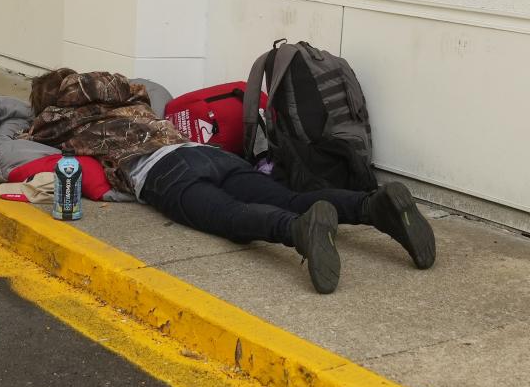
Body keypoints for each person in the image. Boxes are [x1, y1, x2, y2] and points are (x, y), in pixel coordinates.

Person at [23, 68, 436, 294]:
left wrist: (37, 116)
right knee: (290, 196)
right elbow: (148, 87)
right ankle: (372, 206)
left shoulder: (57, 120)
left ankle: (298, 232)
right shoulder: (129, 95)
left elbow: (4, 140)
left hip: (161, 172)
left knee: (228, 216)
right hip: (209, 155)